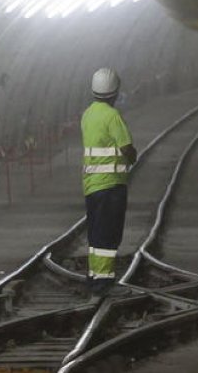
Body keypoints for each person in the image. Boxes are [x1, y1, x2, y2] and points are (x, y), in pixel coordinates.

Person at [81, 67, 137, 297]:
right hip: (111, 185)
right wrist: (132, 157)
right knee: (108, 234)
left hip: (92, 185)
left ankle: (95, 277)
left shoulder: (87, 114)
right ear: (114, 92)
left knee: (95, 234)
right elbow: (126, 148)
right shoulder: (112, 116)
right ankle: (104, 284)